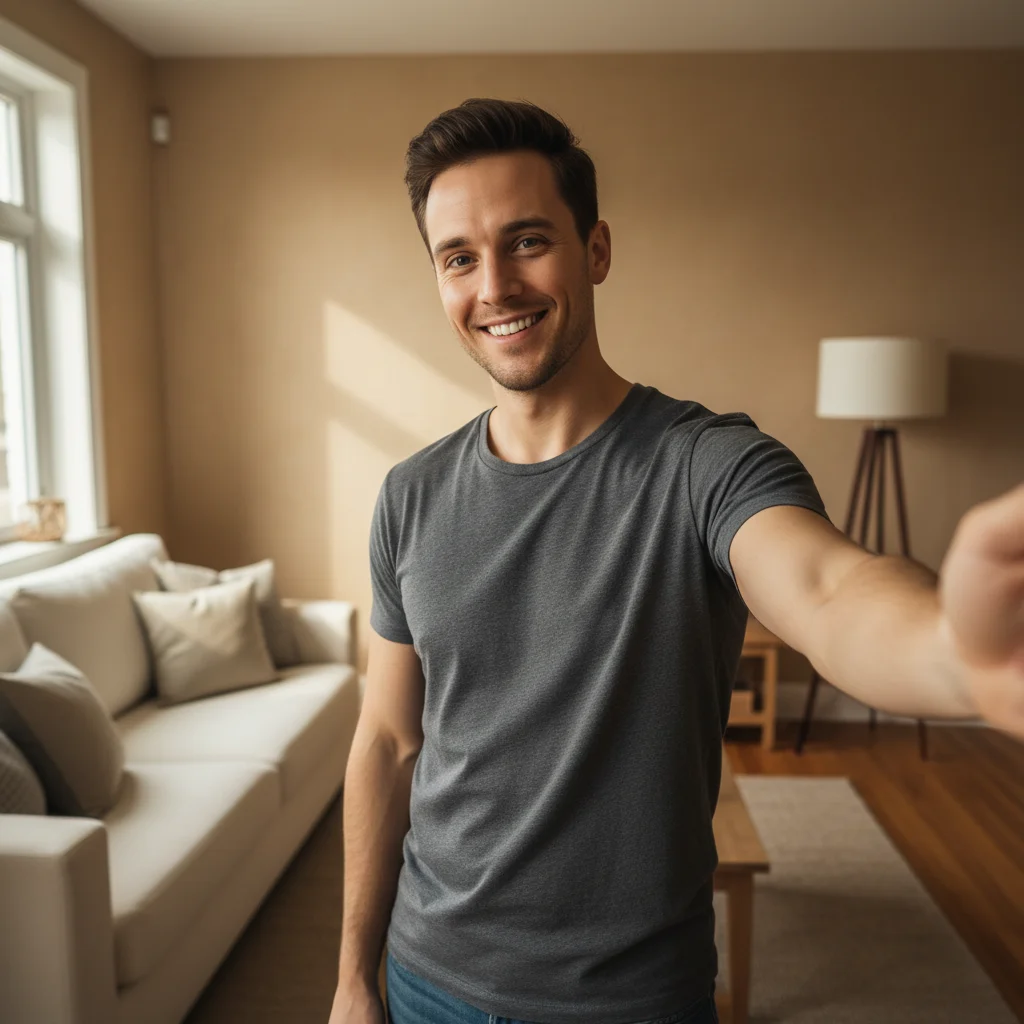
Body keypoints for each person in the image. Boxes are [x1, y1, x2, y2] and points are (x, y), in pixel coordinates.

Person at [328, 98, 1024, 1024]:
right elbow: (387, 739)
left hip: (626, 1002)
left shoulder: (706, 464)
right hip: (426, 979)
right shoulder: (409, 495)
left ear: (597, 250)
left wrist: (957, 652)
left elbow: (830, 588)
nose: (493, 286)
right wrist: (352, 978)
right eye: (459, 258)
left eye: (527, 240)